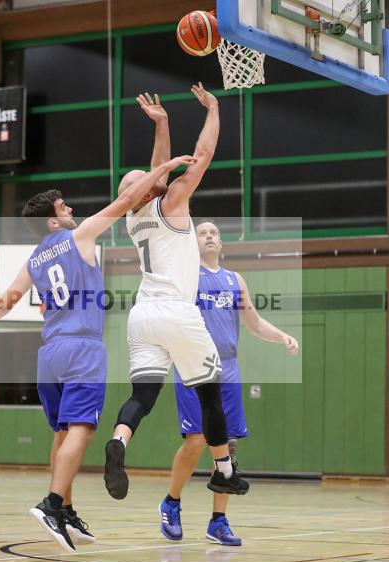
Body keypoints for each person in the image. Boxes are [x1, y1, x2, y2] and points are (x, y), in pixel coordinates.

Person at [0, 155, 195, 553]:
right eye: (64, 208)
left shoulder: (34, 258)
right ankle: (52, 504)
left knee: (63, 432)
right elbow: (128, 198)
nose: (72, 210)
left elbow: (2, 303)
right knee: (82, 429)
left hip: (50, 353)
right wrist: (162, 170)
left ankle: (65, 507)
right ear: (52, 221)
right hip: (82, 348)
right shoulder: (78, 238)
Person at [104, 84, 250, 501]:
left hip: (142, 316)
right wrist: (214, 110)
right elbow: (202, 156)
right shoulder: (173, 203)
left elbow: (155, 170)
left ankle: (119, 440)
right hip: (176, 313)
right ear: (152, 187)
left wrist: (163, 124)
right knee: (211, 392)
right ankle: (224, 470)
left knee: (143, 394)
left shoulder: (134, 217)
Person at [160, 219, 300, 546]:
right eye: (202, 233)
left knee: (228, 446)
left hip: (229, 368)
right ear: (192, 243)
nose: (209, 236)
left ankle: (218, 521)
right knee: (197, 439)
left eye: (214, 233)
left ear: (221, 243)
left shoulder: (234, 280)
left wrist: (281, 336)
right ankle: (172, 502)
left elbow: (253, 320)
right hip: (194, 365)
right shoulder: (185, 278)